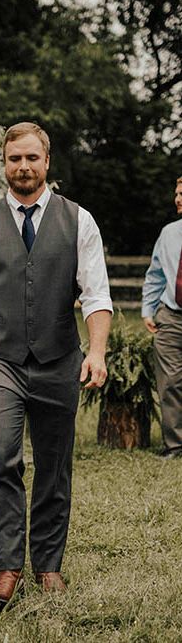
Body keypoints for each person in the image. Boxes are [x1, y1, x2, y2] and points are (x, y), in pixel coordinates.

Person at [0, 122, 113, 609]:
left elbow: (97, 294)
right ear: (4, 163)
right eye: (15, 158)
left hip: (60, 358)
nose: (23, 166)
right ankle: (6, 567)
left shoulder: (79, 221)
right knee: (0, 454)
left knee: (55, 465)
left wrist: (96, 351)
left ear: (47, 162)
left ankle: (48, 565)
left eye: (32, 158)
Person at [142, 176, 182, 458]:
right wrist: (148, 309)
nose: (178, 198)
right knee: (169, 383)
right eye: (177, 193)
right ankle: (175, 445)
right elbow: (155, 274)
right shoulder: (169, 233)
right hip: (171, 316)